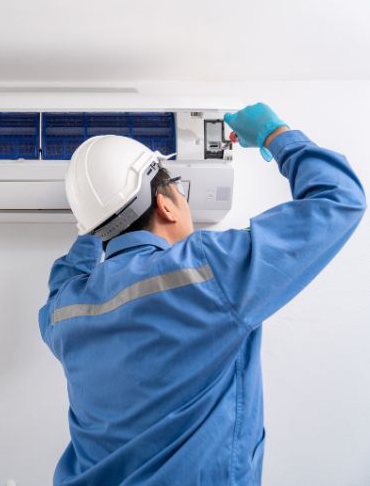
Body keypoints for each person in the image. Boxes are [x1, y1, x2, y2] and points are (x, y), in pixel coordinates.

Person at [38, 103, 366, 485]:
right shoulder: (208, 270)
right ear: (165, 204)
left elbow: (65, 277)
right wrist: (274, 134)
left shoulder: (66, 312)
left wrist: (97, 222)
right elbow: (338, 200)